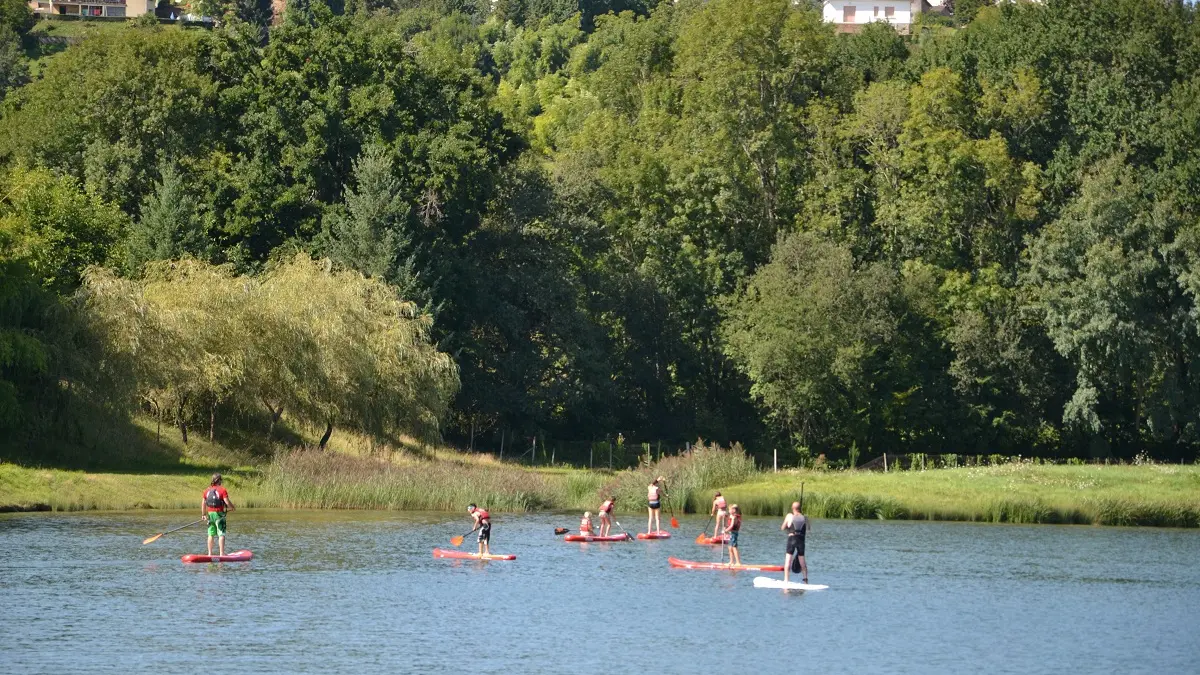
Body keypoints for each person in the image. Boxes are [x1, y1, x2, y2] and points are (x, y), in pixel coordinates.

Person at [201, 473, 235, 556]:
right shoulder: (222, 490)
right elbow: (226, 501)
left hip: (210, 514)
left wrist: (203, 514)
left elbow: (203, 503)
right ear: (219, 480)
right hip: (219, 514)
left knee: (210, 534)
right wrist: (232, 507)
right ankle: (222, 553)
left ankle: (209, 554)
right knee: (221, 533)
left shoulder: (206, 490)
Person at [780, 501, 809, 583]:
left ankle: (786, 580)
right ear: (800, 508)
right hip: (801, 540)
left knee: (788, 561)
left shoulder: (789, 516)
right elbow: (808, 529)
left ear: (793, 508)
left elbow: (782, 527)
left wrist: (788, 528)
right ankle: (805, 580)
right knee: (802, 562)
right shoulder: (805, 517)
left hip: (792, 539)